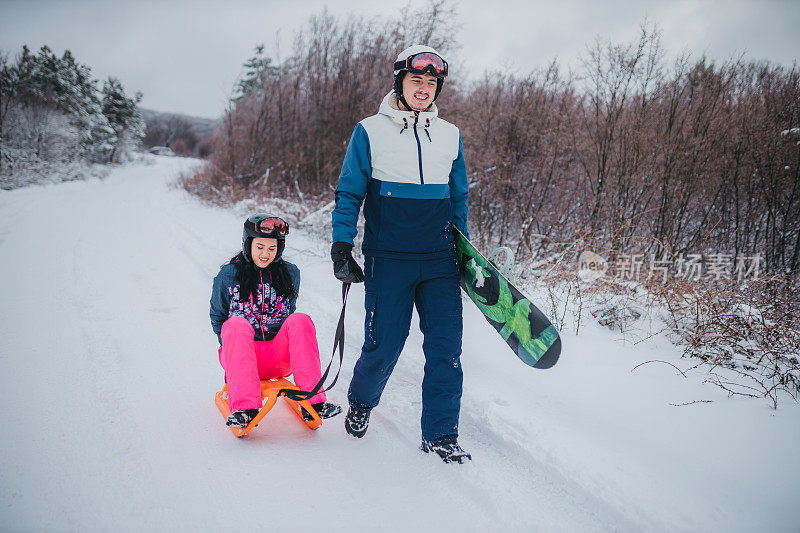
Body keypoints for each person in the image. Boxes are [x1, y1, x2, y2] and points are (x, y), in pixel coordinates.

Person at [330, 45, 471, 463]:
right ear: (400, 82)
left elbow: (458, 194)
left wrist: (463, 246)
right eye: (417, 80)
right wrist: (342, 243)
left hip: (440, 258)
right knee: (385, 342)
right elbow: (350, 190)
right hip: (388, 256)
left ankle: (442, 434)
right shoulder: (369, 130)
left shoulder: (450, 135)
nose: (425, 89)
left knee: (446, 348)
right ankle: (361, 401)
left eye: (432, 83)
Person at [211, 214, 342, 427]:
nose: (265, 254)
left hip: (278, 358)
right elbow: (218, 317)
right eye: (260, 247)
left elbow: (290, 315)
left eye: (272, 249)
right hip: (241, 357)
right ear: (248, 245)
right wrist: (232, 351)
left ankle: (313, 402)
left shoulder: (290, 273)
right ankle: (245, 407)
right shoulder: (228, 275)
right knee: (234, 324)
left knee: (299, 319)